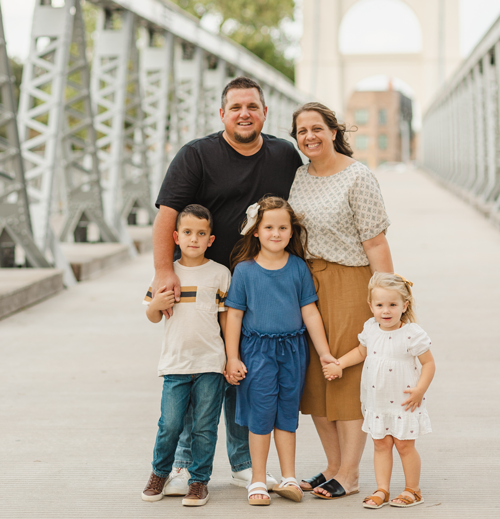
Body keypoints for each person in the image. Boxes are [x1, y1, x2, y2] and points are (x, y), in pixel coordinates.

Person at [151, 76, 303, 494]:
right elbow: (168, 214)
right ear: (222, 114)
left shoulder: (284, 155)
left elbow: (302, 209)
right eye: (235, 107)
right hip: (203, 285)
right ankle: (182, 466)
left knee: (242, 371)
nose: (244, 114)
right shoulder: (196, 155)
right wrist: (165, 271)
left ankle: (241, 465)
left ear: (264, 113)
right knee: (194, 374)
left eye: (252, 106)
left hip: (258, 285)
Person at [287, 102, 394, 499]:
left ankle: (349, 473)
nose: (310, 136)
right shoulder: (299, 176)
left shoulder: (358, 176)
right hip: (306, 283)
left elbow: (376, 241)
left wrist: (386, 297)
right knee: (315, 377)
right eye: (302, 131)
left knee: (346, 377)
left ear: (334, 131)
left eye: (317, 128)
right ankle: (332, 465)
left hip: (351, 284)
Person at [224, 196, 337, 505]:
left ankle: (289, 477)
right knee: (261, 414)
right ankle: (258, 480)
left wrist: (324, 352)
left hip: (293, 350)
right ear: (256, 231)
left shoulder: (298, 267)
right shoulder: (245, 271)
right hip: (257, 351)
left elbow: (310, 312)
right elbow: (234, 315)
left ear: (291, 232)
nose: (276, 233)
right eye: (269, 227)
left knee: (287, 414)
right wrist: (232, 357)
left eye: (283, 227)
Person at [141, 205, 231, 506]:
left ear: (211, 239)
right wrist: (157, 303)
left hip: (210, 363)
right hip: (175, 363)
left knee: (205, 428)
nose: (195, 239)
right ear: (176, 237)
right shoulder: (166, 273)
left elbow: (226, 320)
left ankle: (198, 481)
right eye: (188, 233)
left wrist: (231, 358)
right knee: (170, 423)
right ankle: (159, 473)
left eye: (201, 233)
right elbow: (153, 316)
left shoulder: (220, 274)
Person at [323, 273, 435, 508]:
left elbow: (428, 364)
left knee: (404, 445)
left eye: (392, 305)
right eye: (380, 305)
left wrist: (420, 390)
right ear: (371, 306)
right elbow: (361, 352)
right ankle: (382, 489)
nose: (386, 311)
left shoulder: (412, 333)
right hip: (378, 401)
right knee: (381, 444)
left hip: (405, 401)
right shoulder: (371, 328)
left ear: (404, 306)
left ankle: (413, 490)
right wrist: (339, 364)